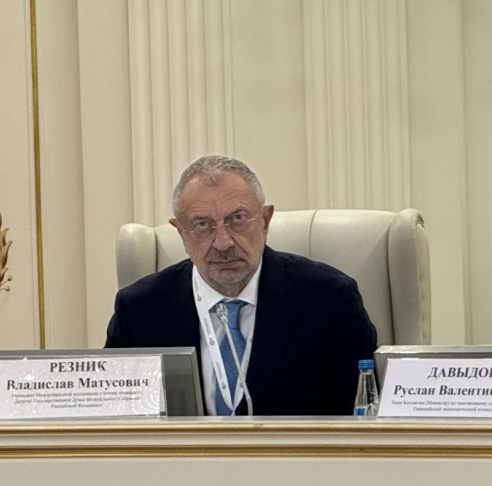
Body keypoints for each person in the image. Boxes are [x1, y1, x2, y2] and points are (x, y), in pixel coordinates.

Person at [105, 154, 378, 416]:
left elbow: (362, 418)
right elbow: (113, 416)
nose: (223, 243)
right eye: (203, 225)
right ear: (181, 232)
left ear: (265, 221)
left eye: (237, 219)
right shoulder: (140, 310)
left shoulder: (329, 300)